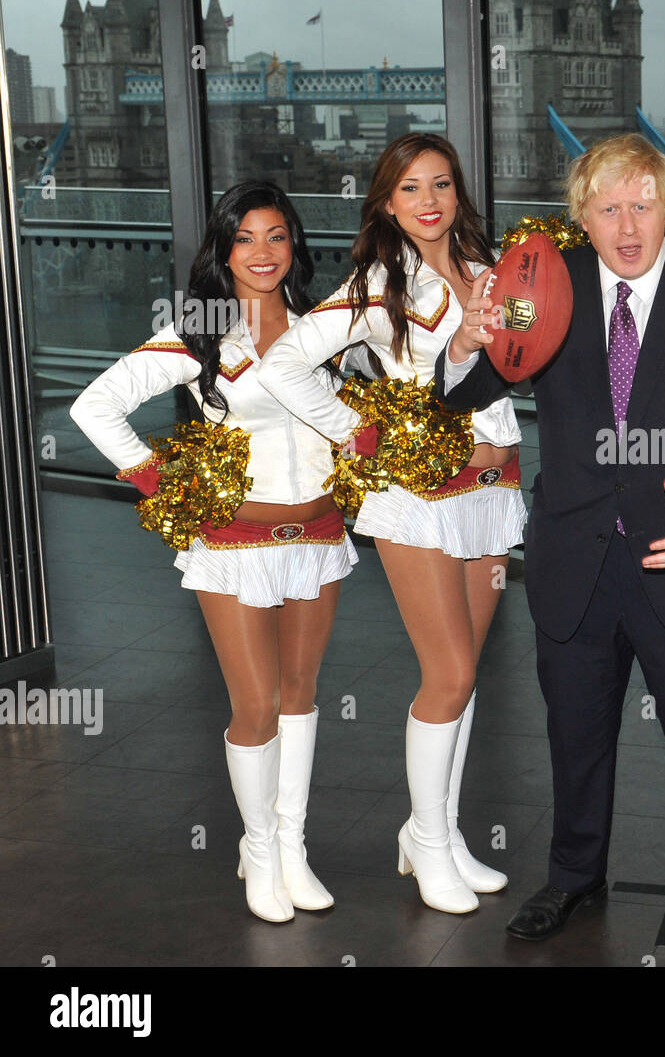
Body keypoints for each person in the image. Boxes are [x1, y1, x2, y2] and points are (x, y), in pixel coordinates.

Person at [435, 134, 665, 955]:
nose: (628, 226)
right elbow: (466, 391)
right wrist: (465, 341)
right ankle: (573, 874)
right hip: (574, 559)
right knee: (574, 732)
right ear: (582, 216)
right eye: (608, 207)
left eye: (643, 205)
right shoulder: (540, 287)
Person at [71, 181, 355, 922]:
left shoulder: (324, 327)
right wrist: (158, 482)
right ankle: (257, 846)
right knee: (255, 701)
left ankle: (291, 845)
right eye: (245, 238)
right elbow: (93, 404)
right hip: (232, 541)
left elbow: (357, 412)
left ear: (295, 244)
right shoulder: (200, 329)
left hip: (318, 533)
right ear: (222, 250)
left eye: (277, 236)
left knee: (300, 695)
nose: (262, 253)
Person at [258, 134, 524, 914]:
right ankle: (430, 845)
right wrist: (358, 431)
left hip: (492, 485)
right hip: (417, 496)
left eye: (441, 183)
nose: (430, 200)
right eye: (410, 188)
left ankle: (433, 829)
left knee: (466, 672)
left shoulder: (486, 271)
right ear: (385, 202)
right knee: (449, 675)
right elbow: (285, 364)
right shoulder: (378, 284)